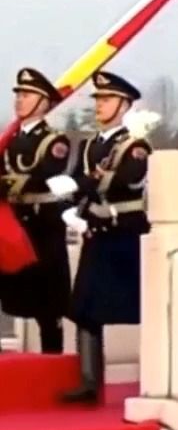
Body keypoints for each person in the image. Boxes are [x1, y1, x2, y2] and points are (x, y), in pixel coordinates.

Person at [52, 71, 153, 404]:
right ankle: (89, 381)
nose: (99, 106)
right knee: (85, 308)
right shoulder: (90, 145)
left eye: (107, 100)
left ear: (124, 105)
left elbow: (124, 181)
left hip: (125, 234)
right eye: (97, 100)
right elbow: (81, 181)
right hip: (97, 233)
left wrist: (80, 188)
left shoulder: (135, 146)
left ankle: (155, 377)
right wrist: (73, 208)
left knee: (143, 309)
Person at [1, 67, 72, 353]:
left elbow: (38, 176)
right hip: (14, 226)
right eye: (18, 94)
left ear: (44, 103)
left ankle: (52, 361)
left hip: (43, 229)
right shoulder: (10, 140)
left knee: (48, 305)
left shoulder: (54, 142)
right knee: (13, 293)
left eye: (27, 94)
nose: (19, 100)